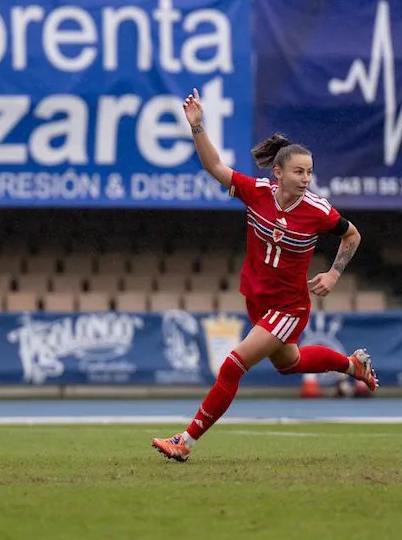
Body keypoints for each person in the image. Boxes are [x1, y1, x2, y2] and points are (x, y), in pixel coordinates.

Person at [152, 89, 378, 461]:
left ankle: (185, 441)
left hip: (289, 306)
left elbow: (352, 234)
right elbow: (215, 168)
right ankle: (352, 365)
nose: (306, 179)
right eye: (299, 171)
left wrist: (334, 274)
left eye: (309, 172)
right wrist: (198, 127)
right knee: (289, 363)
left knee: (233, 363)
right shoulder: (256, 192)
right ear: (279, 173)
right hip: (258, 300)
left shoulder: (319, 211)